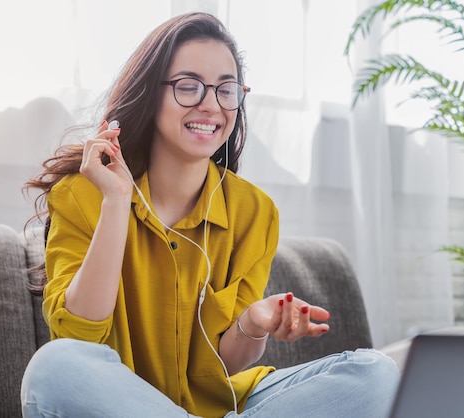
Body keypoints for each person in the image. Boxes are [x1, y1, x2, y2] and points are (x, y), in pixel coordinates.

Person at [20, 11, 400, 418]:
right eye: (189, 87)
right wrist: (116, 201)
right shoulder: (83, 194)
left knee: (377, 375)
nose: (210, 105)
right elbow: (78, 336)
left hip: (219, 405)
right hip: (117, 403)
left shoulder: (254, 212)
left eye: (226, 89)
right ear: (151, 94)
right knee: (53, 368)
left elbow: (221, 366)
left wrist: (252, 323)